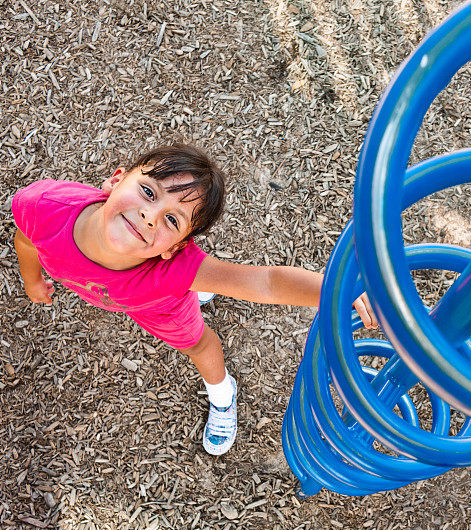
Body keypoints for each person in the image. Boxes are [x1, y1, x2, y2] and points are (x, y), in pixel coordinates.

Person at [12, 144, 377, 456]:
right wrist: (32, 279)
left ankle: (222, 393)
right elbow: (27, 240)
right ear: (115, 179)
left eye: (172, 219)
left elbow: (266, 282)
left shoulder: (173, 268)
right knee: (195, 279)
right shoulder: (42, 206)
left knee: (200, 344)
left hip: (157, 304)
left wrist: (335, 289)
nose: (148, 216)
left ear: (176, 247)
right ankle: (199, 285)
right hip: (125, 296)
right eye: (149, 192)